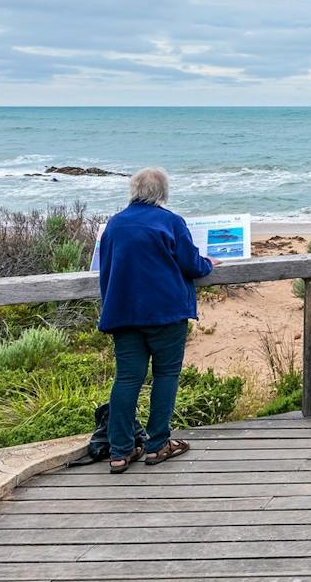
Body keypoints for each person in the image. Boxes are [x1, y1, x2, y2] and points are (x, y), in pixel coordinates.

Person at [96, 167, 214, 473]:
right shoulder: (171, 221)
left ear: (133, 191)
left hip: (123, 312)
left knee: (127, 379)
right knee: (165, 375)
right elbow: (191, 264)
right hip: (165, 311)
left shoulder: (115, 224)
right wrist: (207, 264)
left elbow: (106, 268)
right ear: (163, 193)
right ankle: (158, 444)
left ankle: (120, 451)